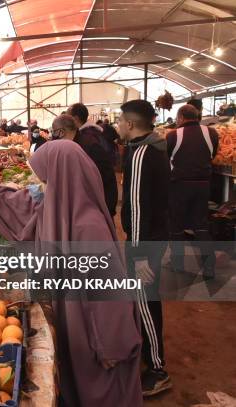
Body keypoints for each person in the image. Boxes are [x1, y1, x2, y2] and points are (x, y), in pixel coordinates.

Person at [0, 141, 143, 407]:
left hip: (94, 337)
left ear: (61, 177)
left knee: (101, 392)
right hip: (72, 322)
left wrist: (112, 346)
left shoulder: (88, 227)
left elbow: (111, 295)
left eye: (45, 180)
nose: (40, 187)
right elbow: (6, 199)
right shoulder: (54, 207)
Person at [118, 99, 172, 397]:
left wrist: (138, 255)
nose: (117, 124)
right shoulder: (154, 147)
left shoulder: (141, 154)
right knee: (144, 300)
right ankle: (147, 356)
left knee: (146, 303)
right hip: (153, 236)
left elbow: (137, 208)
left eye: (119, 120)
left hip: (144, 242)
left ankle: (158, 369)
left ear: (130, 124)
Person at [167, 104, 218, 279]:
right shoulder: (211, 133)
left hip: (179, 186)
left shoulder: (173, 135)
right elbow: (213, 154)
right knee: (201, 226)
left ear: (180, 117)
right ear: (197, 116)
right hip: (203, 185)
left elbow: (167, 159)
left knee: (176, 226)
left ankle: (178, 263)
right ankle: (209, 267)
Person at [52, 114, 118, 217]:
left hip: (97, 208)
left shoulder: (89, 146)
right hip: (85, 205)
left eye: (54, 132)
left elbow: (106, 178)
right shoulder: (76, 144)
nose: (54, 137)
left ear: (61, 132)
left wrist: (107, 210)